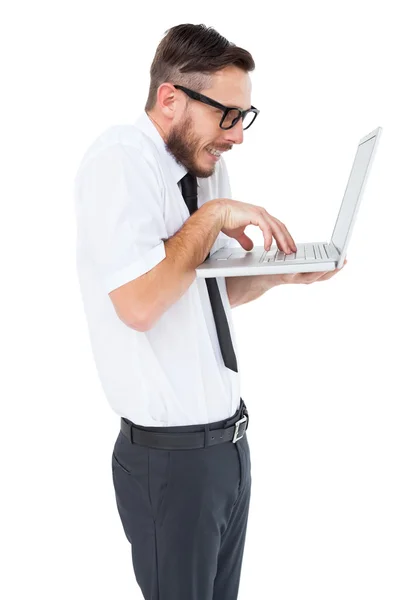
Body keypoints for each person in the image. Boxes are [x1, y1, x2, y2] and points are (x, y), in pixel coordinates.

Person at [74, 22, 346, 600]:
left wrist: (283, 274)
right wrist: (216, 213)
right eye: (227, 115)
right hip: (172, 464)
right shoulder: (120, 160)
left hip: (228, 450)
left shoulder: (201, 167)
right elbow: (142, 304)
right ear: (170, 98)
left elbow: (208, 294)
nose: (237, 137)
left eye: (244, 117)